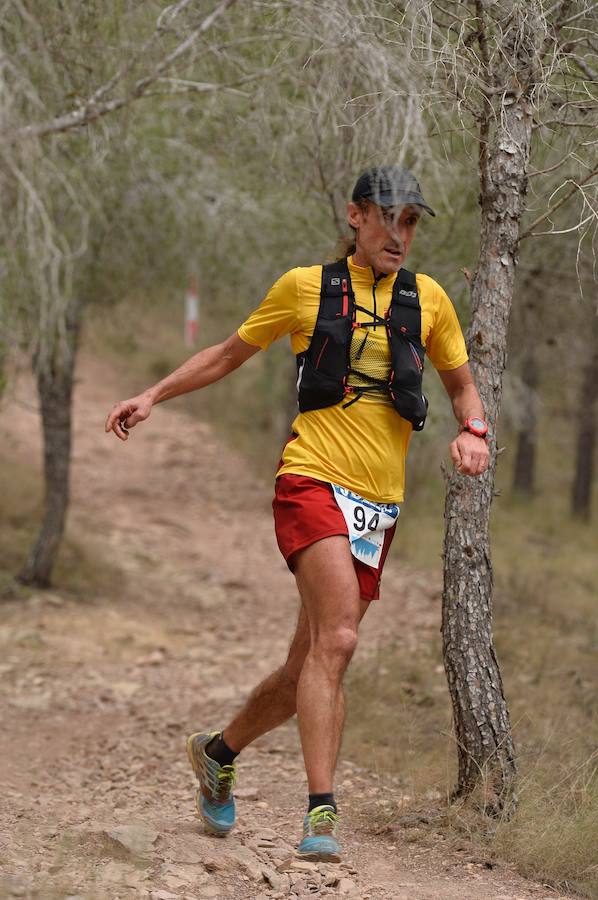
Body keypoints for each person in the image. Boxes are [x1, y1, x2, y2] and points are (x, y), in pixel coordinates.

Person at [105, 165, 489, 863]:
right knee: (338, 640)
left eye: (411, 222)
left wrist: (475, 430)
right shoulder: (303, 288)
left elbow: (462, 384)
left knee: (306, 668)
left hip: (379, 504)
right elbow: (227, 353)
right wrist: (154, 394)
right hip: (310, 477)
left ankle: (218, 753)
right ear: (355, 216)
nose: (400, 234)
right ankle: (321, 814)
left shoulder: (429, 300)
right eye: (388, 218)